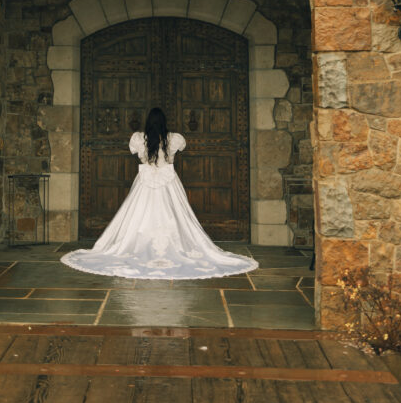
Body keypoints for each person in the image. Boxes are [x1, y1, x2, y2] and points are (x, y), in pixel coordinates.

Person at [61, 106, 258, 279]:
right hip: (168, 181)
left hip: (146, 181)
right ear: (164, 123)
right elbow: (180, 148)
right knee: (176, 215)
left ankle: (139, 246)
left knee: (138, 215)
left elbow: (138, 153)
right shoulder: (173, 139)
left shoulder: (139, 139)